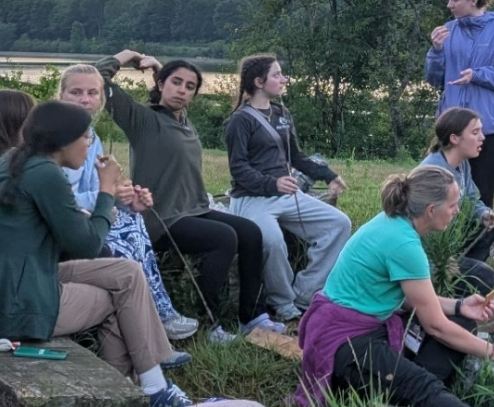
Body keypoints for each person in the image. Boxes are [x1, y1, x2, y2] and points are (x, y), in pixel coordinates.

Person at [296, 166, 494, 407]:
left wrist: (459, 305)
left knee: (462, 323)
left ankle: (400, 397)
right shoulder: (404, 243)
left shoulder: (394, 224)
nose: (457, 210)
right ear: (431, 209)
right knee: (425, 379)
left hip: (366, 323)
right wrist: (493, 350)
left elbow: (413, 301)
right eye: (454, 204)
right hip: (343, 341)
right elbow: (435, 326)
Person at [0, 100, 191, 407]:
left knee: (126, 273)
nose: (90, 145)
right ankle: (135, 391)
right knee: (116, 299)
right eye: (86, 137)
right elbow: (86, 245)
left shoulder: (16, 161)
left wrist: (89, 212)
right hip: (21, 303)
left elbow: (48, 232)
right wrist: (106, 190)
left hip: (25, 275)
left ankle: (146, 383)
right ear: (64, 140)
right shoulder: (46, 175)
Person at [96, 49, 283, 342]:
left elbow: (175, 93)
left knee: (250, 232)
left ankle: (252, 316)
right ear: (161, 85)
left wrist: (161, 67)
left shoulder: (183, 121)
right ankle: (208, 326)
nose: (182, 90)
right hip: (163, 217)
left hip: (194, 208)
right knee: (224, 238)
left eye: (189, 86)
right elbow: (98, 78)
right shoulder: (142, 121)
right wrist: (127, 55)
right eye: (175, 82)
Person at [58, 64, 199, 350]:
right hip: (60, 224)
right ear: (61, 95)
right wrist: (107, 194)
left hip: (85, 216)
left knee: (133, 220)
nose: (85, 99)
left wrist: (125, 198)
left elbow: (94, 189)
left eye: (92, 93)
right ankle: (152, 328)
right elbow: (60, 197)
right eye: (76, 92)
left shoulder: (91, 136)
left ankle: (161, 313)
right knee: (122, 246)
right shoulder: (54, 135)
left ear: (100, 99)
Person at [225, 54, 351, 323]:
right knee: (271, 240)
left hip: (286, 194)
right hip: (252, 198)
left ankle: (305, 293)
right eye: (277, 75)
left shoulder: (282, 113)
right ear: (259, 82)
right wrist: (272, 183)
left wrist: (328, 175)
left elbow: (296, 156)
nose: (284, 79)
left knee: (339, 224)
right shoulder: (240, 121)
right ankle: (282, 302)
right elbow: (238, 169)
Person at [425, 0, 494, 209]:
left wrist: (478, 75)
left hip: (487, 130)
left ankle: (480, 246)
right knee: (444, 194)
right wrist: (436, 51)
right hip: (451, 129)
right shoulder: (447, 31)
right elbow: (433, 79)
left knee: (480, 195)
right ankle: (447, 245)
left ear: (474, 0)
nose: (449, 5)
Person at [419, 108, 494, 264]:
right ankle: (447, 271)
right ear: (455, 139)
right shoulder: (434, 173)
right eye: (475, 133)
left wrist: (484, 214)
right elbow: (422, 225)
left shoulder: (462, 164)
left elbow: (472, 199)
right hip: (430, 247)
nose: (482, 138)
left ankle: (464, 266)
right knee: (484, 278)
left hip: (449, 233)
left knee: (487, 227)